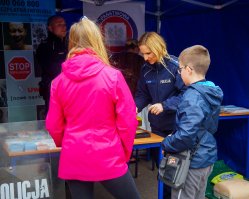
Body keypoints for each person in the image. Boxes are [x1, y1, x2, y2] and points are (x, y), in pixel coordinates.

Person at [45, 17, 140, 199]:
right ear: (98, 40)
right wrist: (124, 152)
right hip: (108, 154)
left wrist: (67, 144)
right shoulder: (112, 77)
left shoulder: (58, 82)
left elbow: (53, 125)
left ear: (71, 42)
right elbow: (128, 121)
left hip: (74, 154)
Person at [162, 45, 224, 199]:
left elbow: (186, 134)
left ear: (188, 69)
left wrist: (167, 143)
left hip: (192, 161)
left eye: (180, 69)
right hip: (206, 155)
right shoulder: (210, 91)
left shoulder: (192, 96)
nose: (179, 72)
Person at [135, 31, 186, 199]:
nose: (145, 57)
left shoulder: (175, 66)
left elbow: (187, 95)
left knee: (175, 173)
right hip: (157, 130)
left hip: (175, 129)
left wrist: (165, 105)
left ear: (159, 48)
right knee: (163, 172)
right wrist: (134, 108)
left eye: (148, 53)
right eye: (143, 53)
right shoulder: (145, 70)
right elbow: (142, 94)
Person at [36, 15, 68, 114]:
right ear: (50, 28)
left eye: (64, 24)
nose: (63, 27)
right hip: (53, 90)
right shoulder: (45, 46)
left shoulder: (69, 44)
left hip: (69, 89)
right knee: (54, 120)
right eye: (59, 24)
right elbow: (52, 69)